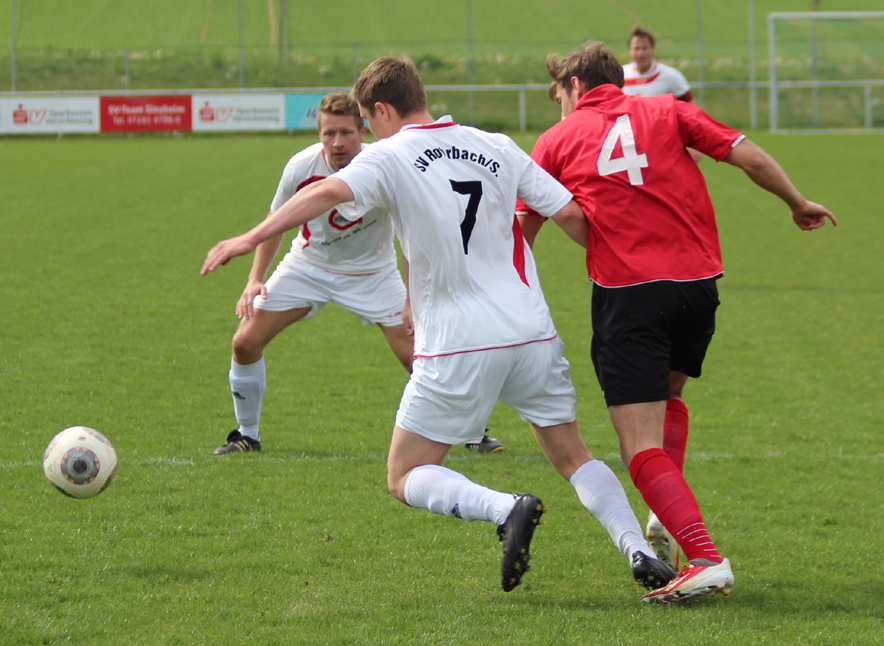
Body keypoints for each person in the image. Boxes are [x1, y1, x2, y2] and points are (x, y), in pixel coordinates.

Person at [202, 56, 677, 595]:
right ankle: (637, 548)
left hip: (457, 340)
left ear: (381, 110)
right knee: (574, 456)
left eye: (367, 120)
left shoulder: (390, 155)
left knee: (404, 474)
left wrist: (249, 237)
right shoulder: (495, 143)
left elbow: (325, 192)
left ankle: (505, 508)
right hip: (531, 330)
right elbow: (572, 216)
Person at [519, 41, 836, 603]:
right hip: (697, 288)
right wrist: (797, 201)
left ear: (574, 87)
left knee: (636, 445)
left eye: (558, 95)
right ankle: (663, 518)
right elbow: (749, 156)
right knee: (667, 396)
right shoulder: (667, 109)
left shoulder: (556, 140)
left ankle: (705, 557)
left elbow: (523, 226)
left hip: (629, 295)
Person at [213, 92, 504, 456]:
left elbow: (412, 238)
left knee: (417, 353)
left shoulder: (386, 167)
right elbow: (275, 225)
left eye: (346, 133)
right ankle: (247, 435)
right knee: (244, 342)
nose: (337, 142)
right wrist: (255, 279)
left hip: (374, 274)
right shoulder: (301, 168)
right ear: (319, 134)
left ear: (362, 131)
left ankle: (472, 430)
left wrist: (412, 301)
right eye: (328, 134)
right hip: (308, 266)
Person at [623, 25, 703, 165]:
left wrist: (694, 145)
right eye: (636, 48)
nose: (640, 53)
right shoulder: (621, 75)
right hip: (629, 145)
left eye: (645, 48)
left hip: (663, 144)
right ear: (630, 50)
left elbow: (691, 110)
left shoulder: (671, 76)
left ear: (653, 49)